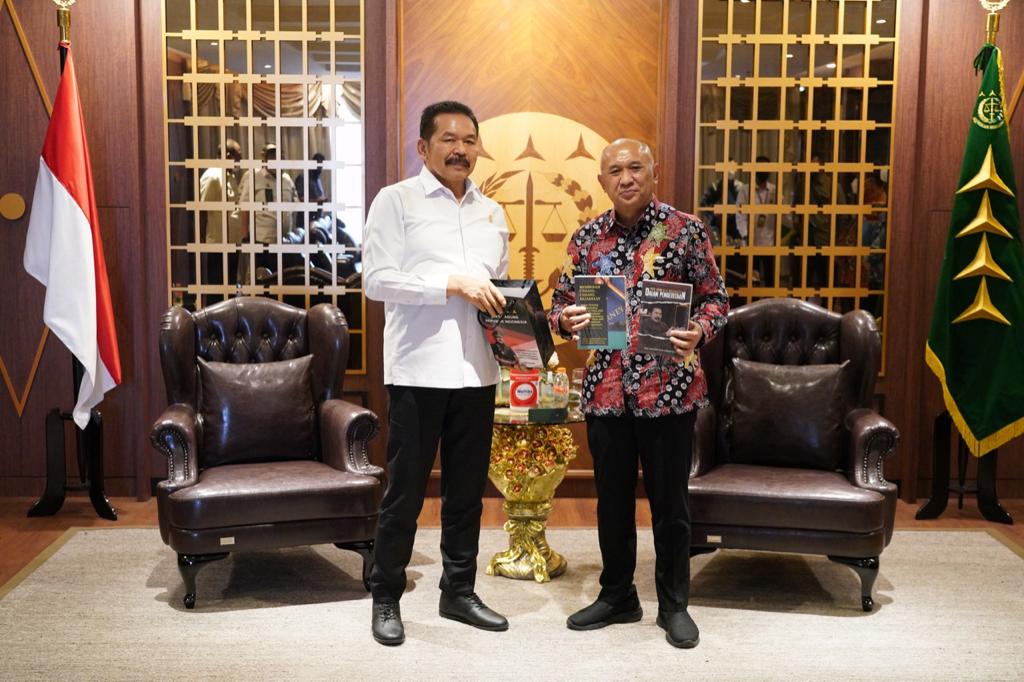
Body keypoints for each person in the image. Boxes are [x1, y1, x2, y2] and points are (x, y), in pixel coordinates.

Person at [549, 139, 728, 649]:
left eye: (635, 168)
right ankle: (617, 596)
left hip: (668, 391)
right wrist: (566, 319)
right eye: (615, 171)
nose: (625, 177)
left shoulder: (686, 231)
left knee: (671, 505)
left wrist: (699, 329)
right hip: (606, 393)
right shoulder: (586, 239)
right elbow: (558, 306)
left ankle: (674, 605)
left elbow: (717, 300)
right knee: (612, 503)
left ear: (654, 172)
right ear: (602, 181)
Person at [362, 100, 511, 646]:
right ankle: (386, 595)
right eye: (449, 139)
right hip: (419, 372)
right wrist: (450, 283)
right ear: (423, 147)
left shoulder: (492, 213)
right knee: (404, 492)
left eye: (469, 140)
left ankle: (459, 591)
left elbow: (498, 292)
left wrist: (520, 335)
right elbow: (376, 279)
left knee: (467, 494)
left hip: (478, 373)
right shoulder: (395, 201)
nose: (461, 150)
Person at [238, 143, 297, 282]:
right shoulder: (253, 176)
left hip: (283, 241)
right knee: (261, 280)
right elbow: (245, 207)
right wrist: (245, 237)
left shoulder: (287, 179)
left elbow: (295, 203)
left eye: (278, 156)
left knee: (280, 280)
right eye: (271, 156)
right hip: (262, 241)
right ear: (264, 158)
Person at [198, 139, 242, 298]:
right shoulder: (213, 176)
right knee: (217, 289)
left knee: (230, 287)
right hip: (218, 243)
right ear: (228, 156)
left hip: (232, 242)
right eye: (238, 156)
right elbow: (202, 209)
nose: (240, 161)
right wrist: (202, 237)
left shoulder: (230, 176)